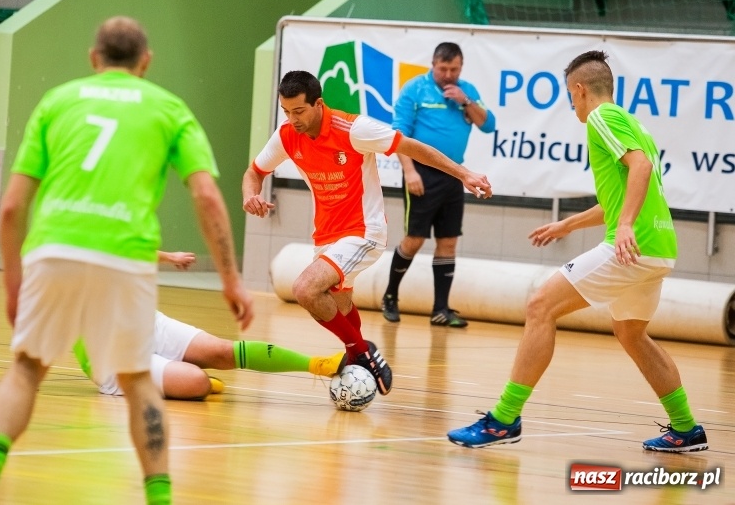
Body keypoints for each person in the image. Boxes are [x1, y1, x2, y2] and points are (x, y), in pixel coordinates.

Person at [0, 17, 253, 505]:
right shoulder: (169, 109)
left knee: (26, 369)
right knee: (137, 384)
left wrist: (13, 288)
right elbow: (208, 199)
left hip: (54, 248)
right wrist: (232, 281)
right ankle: (158, 497)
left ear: (94, 59)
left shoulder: (58, 102)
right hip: (124, 257)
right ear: (146, 63)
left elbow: (10, 207)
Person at [447, 50, 708, 453]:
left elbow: (638, 170)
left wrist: (623, 227)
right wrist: (566, 224)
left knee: (540, 306)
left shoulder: (602, 119)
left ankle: (503, 420)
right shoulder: (633, 123)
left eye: (571, 97)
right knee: (631, 333)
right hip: (658, 246)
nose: (572, 106)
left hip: (632, 245)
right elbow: (620, 195)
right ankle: (686, 428)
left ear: (580, 90)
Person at [242, 70, 493, 396]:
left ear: (318, 104)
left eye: (299, 111)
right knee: (338, 306)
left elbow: (414, 147)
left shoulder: (354, 129)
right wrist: (251, 195)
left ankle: (362, 353)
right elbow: (254, 172)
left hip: (363, 231)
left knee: (305, 289)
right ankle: (358, 359)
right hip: (326, 235)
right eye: (286, 111)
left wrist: (464, 173)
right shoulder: (287, 134)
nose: (293, 119)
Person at [73, 251, 346, 400]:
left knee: (221, 351)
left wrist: (169, 257)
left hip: (146, 323)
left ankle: (317, 365)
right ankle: (193, 379)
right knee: (196, 382)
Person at [382, 42, 496, 328]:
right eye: (442, 69)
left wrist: (465, 101)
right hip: (421, 173)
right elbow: (399, 135)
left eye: (454, 69)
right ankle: (390, 296)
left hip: (454, 174)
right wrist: (409, 172)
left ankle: (441, 309)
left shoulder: (466, 91)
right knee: (415, 239)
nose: (448, 74)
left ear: (461, 67)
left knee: (448, 242)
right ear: (433, 65)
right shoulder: (414, 89)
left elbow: (489, 124)